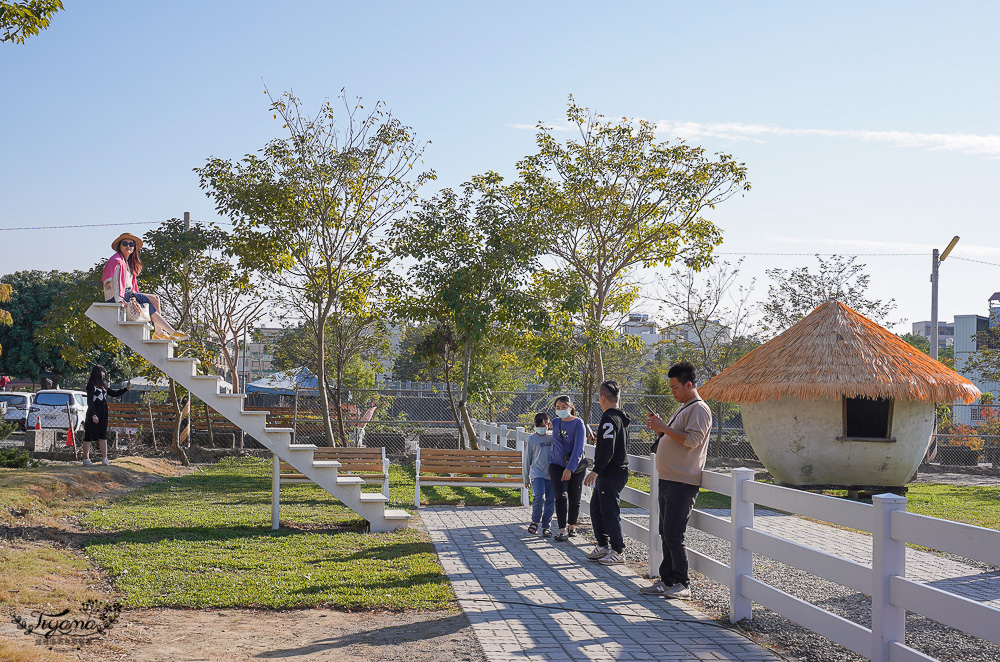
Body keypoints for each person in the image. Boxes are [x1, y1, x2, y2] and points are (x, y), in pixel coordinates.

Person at [639, 361, 712, 599]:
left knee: (673, 533)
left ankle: (682, 583)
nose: (672, 392)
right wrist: (662, 428)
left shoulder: (699, 409)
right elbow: (676, 437)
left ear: (689, 384)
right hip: (669, 479)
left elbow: (692, 440)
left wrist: (664, 428)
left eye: (675, 388)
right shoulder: (684, 407)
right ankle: (667, 580)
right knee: (664, 531)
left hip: (683, 482)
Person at [103, 232, 187, 341]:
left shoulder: (128, 263)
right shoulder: (117, 261)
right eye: (125, 243)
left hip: (127, 293)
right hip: (116, 297)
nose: (128, 246)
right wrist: (119, 299)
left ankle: (158, 333)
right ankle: (172, 332)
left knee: (155, 298)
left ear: (134, 248)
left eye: (131, 244)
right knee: (144, 299)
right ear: (119, 246)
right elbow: (111, 282)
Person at [584, 380, 631, 565]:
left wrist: (596, 470)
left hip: (611, 472)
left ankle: (618, 551)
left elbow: (608, 449)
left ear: (602, 398)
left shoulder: (608, 418)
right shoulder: (621, 417)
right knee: (596, 508)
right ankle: (602, 545)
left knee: (610, 511)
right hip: (615, 471)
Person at [549, 394, 587, 542]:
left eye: (564, 407)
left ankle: (572, 526)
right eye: (558, 408)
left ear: (570, 407)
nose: (560, 410)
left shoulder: (578, 423)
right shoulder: (555, 422)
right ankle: (562, 530)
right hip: (556, 464)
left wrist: (570, 468)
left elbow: (579, 448)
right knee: (561, 496)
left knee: (574, 497)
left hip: (575, 467)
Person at [82, 364, 130, 466]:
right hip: (93, 412)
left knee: (103, 435)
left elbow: (114, 393)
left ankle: (105, 459)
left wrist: (125, 389)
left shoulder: (104, 385)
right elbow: (90, 401)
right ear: (98, 372)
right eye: (102, 371)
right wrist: (93, 414)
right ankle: (86, 459)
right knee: (88, 436)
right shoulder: (91, 385)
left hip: (103, 412)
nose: (104, 373)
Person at [523, 412, 555, 537]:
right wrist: (526, 478)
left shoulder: (552, 437)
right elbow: (527, 459)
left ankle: (546, 525)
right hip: (537, 473)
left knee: (550, 500)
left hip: (551, 473)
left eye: (543, 426)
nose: (541, 428)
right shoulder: (531, 439)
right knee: (539, 496)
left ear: (548, 425)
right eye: (538, 426)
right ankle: (535, 521)